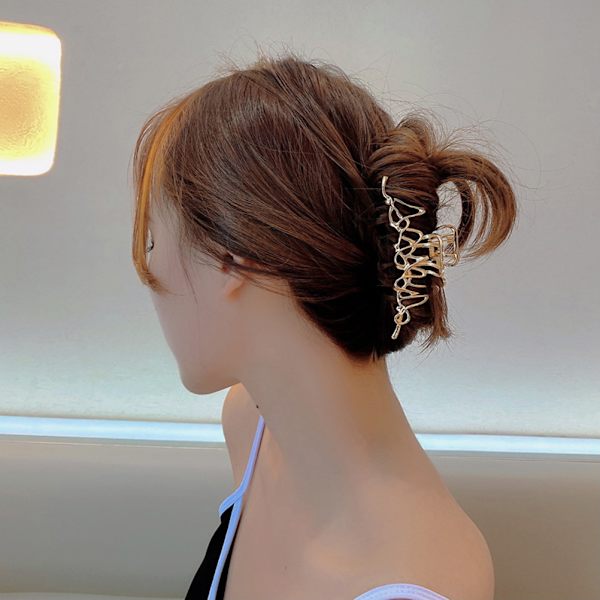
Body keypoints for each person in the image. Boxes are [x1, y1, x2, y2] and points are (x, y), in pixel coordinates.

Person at [130, 49, 517, 599]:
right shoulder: (251, 424)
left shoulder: (412, 581)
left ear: (229, 259)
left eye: (153, 239)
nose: (149, 273)